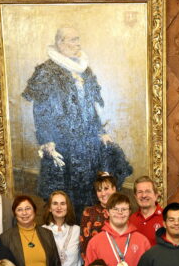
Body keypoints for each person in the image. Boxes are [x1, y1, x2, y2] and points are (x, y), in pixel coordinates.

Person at [21, 26, 132, 210]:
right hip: (62, 143)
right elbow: (40, 109)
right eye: (72, 40)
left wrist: (100, 132)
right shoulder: (46, 71)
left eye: (78, 39)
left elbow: (90, 108)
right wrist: (47, 140)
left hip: (86, 144)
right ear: (59, 43)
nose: (77, 44)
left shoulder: (84, 70)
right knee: (64, 195)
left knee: (90, 189)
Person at [79, 173, 117, 257]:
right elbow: (84, 243)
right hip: (96, 262)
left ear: (114, 189)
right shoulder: (89, 212)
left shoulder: (122, 211)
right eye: (99, 190)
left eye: (106, 188)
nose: (103, 193)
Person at [130, 175, 164, 246]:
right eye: (140, 192)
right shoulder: (131, 219)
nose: (144, 195)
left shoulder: (166, 217)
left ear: (156, 195)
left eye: (148, 191)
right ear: (135, 197)